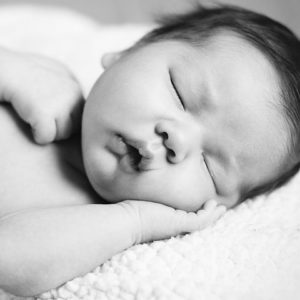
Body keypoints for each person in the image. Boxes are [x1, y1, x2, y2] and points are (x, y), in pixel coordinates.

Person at [0, 4, 300, 296]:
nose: (177, 139)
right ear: (128, 52)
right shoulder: (46, 81)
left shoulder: (88, 228)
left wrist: (135, 222)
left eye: (210, 165)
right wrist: (15, 71)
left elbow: (8, 262)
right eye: (180, 93)